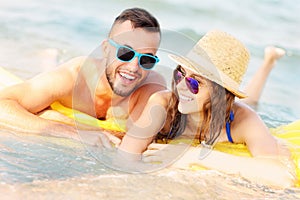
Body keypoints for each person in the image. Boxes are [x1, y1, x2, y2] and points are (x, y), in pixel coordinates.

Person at [116, 30, 295, 187]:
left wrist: (193, 156)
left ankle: (268, 62)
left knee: (251, 103)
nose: (181, 87)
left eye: (195, 82)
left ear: (221, 93)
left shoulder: (243, 120)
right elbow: (125, 158)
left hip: (231, 111)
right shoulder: (163, 104)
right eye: (180, 74)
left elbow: (281, 177)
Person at [0, 8, 166, 144]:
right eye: (125, 53)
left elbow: (134, 141)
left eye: (146, 59)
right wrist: (71, 132)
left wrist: (52, 115)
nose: (133, 67)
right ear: (106, 48)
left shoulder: (152, 89)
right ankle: (49, 57)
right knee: (50, 70)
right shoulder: (73, 76)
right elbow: (3, 105)